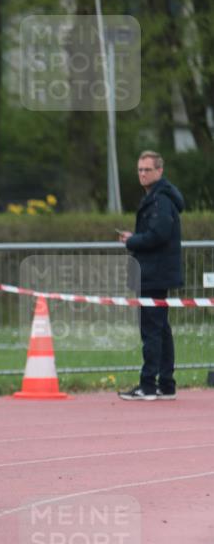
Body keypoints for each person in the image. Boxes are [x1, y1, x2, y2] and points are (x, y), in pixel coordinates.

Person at [118, 150, 184, 401]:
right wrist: (133, 239)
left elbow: (159, 235)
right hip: (154, 271)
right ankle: (166, 384)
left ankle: (148, 385)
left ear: (159, 171)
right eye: (140, 169)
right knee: (161, 329)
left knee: (152, 330)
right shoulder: (157, 198)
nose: (142, 174)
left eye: (147, 169)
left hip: (154, 273)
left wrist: (132, 240)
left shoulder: (160, 200)